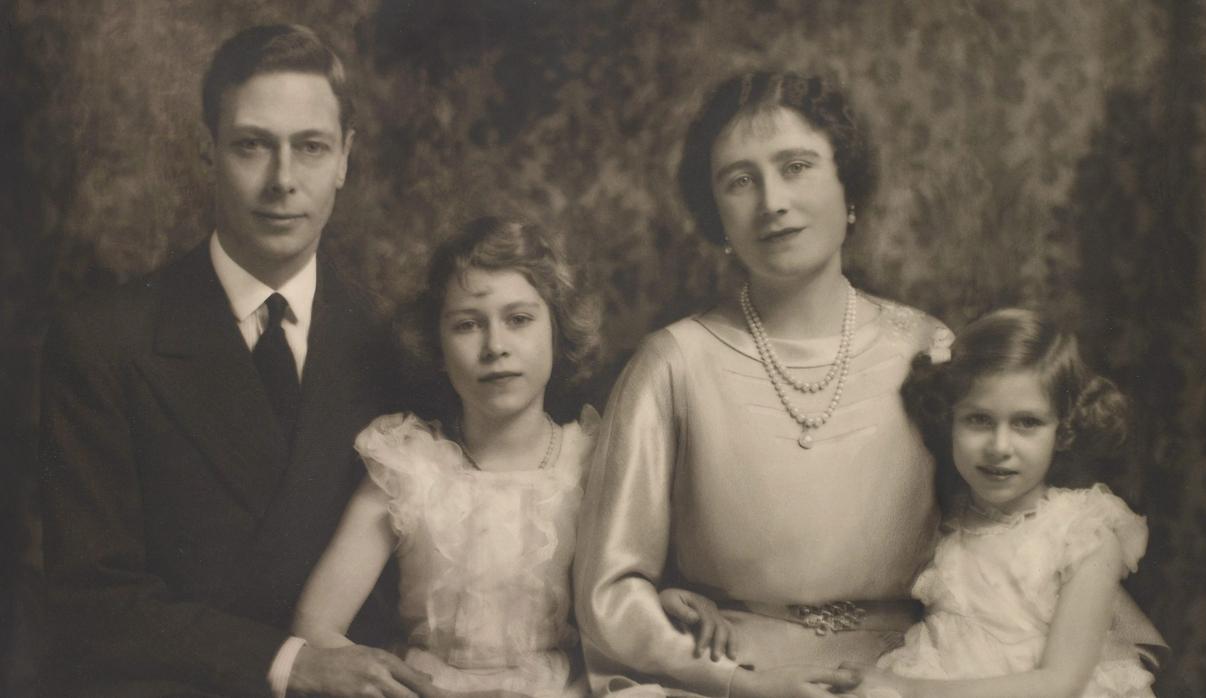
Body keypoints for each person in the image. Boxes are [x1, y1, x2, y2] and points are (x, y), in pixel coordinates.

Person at [38, 24, 425, 698]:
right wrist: (289, 663)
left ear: (344, 159)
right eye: (252, 145)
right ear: (204, 150)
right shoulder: (103, 342)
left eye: (310, 148)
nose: (283, 181)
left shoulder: (399, 344)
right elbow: (89, 603)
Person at [572, 71, 954, 697]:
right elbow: (609, 590)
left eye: (797, 166)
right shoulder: (672, 363)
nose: (772, 201)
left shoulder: (928, 348)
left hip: (915, 670)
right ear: (717, 214)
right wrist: (734, 678)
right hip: (738, 676)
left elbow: (999, 529)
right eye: (740, 181)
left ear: (849, 188)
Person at [292, 217, 604, 696]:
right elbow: (314, 627)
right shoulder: (409, 465)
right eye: (467, 325)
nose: (495, 347)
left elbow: (635, 602)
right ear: (437, 346)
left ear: (557, 333)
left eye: (519, 320)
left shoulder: (591, 461)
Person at [846, 308, 1158, 697]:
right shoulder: (943, 517)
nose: (999, 447)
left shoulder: (1083, 535)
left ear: (1063, 430)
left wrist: (907, 690)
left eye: (1027, 423)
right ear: (950, 420)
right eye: (978, 419)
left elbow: (1059, 683)